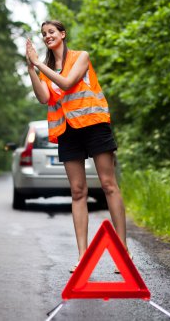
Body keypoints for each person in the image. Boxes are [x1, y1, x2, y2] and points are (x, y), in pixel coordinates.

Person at [25, 20, 129, 273]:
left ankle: (123, 254)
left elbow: (68, 83)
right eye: (43, 34)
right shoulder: (45, 69)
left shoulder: (81, 56)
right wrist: (31, 69)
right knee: (78, 192)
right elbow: (44, 98)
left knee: (108, 185)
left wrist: (39, 64)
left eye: (51, 32)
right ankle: (83, 258)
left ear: (62, 34)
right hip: (68, 132)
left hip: (93, 125)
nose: (47, 36)